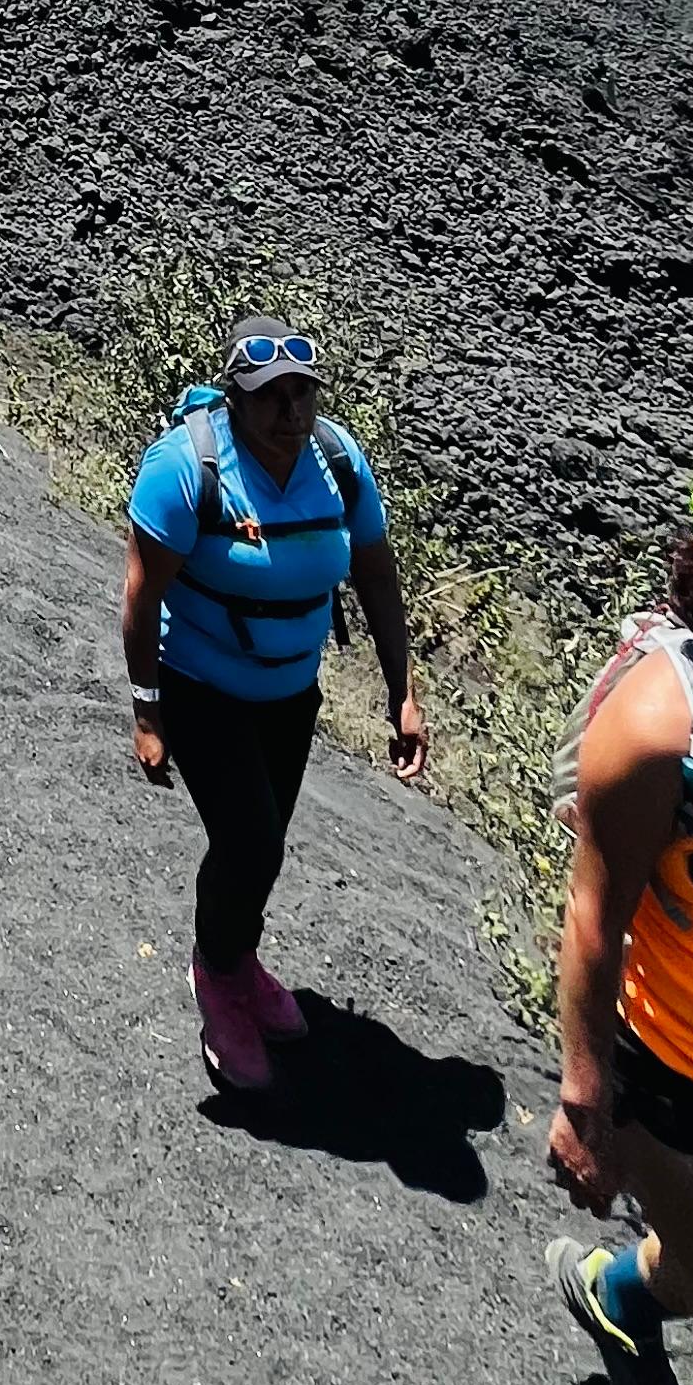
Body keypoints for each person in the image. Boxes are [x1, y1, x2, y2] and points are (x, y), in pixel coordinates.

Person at [122, 315, 427, 1091]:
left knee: (262, 844)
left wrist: (402, 694)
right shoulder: (186, 468)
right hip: (201, 686)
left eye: (303, 395)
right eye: (271, 398)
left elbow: (378, 577)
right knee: (252, 842)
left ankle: (239, 954)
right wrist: (148, 710)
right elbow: (140, 596)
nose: (291, 413)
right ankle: (218, 974)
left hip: (291, 697)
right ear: (236, 398)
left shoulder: (338, 462)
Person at [549, 457, 693, 1385]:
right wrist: (584, 1101)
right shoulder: (671, 720)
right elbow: (594, 914)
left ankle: (617, 1288)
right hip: (680, 1080)